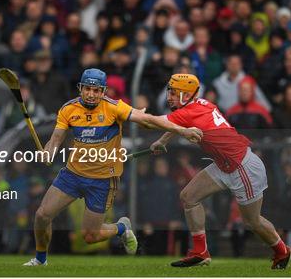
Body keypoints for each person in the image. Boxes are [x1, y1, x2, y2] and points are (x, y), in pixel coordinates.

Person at [23, 68, 202, 266]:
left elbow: (148, 121)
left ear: (104, 91)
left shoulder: (114, 107)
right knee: (42, 215)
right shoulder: (68, 109)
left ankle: (121, 228)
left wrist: (181, 130)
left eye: (97, 90)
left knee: (91, 237)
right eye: (87, 89)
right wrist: (49, 151)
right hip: (72, 174)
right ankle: (41, 260)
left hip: (102, 180)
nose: (91, 94)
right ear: (80, 88)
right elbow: (55, 139)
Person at [149, 74, 291, 269]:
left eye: (174, 93)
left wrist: (126, 112)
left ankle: (283, 251)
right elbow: (178, 124)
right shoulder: (199, 104)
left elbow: (153, 122)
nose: (169, 97)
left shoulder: (191, 110)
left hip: (242, 167)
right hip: (223, 164)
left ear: (187, 94)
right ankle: (200, 252)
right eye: (169, 92)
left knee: (252, 221)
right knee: (189, 197)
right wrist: (162, 141)